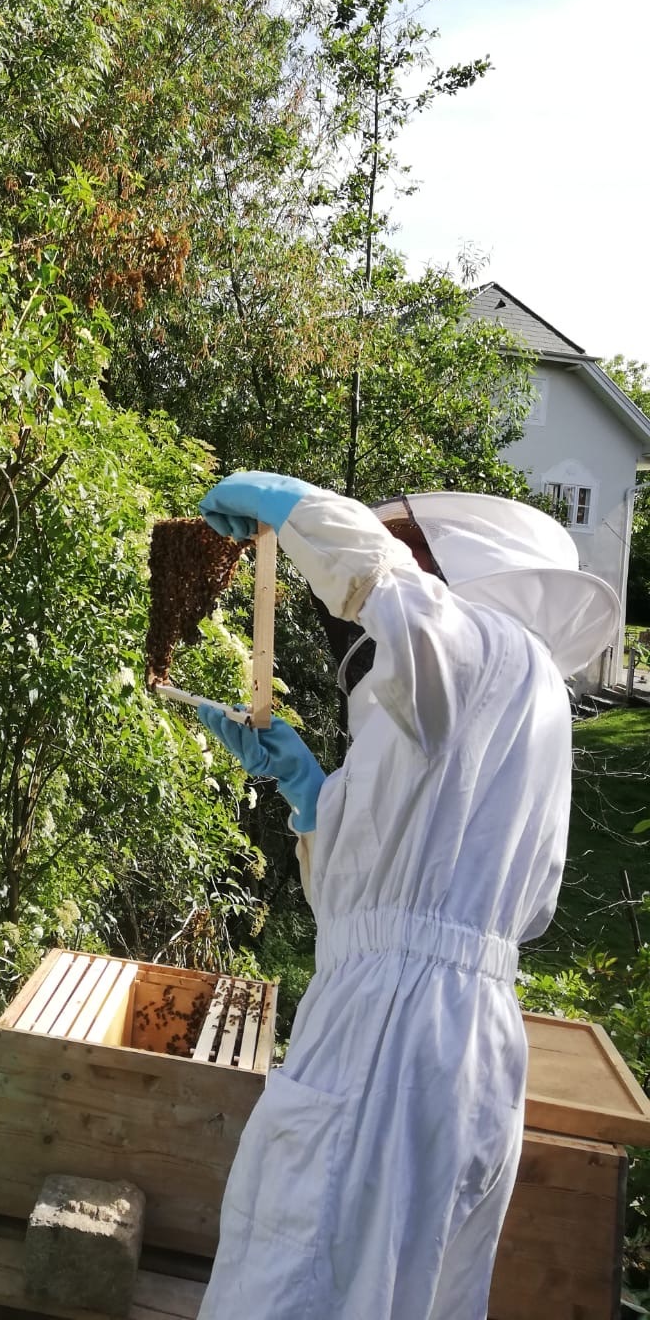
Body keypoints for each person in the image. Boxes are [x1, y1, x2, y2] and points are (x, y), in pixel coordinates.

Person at [192, 472, 620, 1320]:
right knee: (402, 1294)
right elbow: (369, 891)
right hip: (448, 1038)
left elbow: (388, 585)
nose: (403, 568)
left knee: (297, 1283)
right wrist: (310, 792)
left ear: (467, 565)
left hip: (394, 1034)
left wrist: (296, 506)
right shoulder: (486, 706)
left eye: (417, 548)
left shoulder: (492, 653)